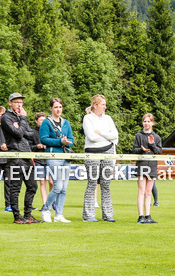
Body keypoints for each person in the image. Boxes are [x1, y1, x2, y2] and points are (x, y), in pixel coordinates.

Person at [1, 92, 41, 224]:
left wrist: (21, 127)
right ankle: (17, 217)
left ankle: (28, 215)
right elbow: (18, 134)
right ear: (10, 103)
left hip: (27, 155)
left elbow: (30, 134)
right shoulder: (6, 117)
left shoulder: (19, 118)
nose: (19, 105)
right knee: (15, 188)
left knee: (32, 186)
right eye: (16, 102)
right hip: (15, 155)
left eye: (21, 102)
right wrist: (23, 120)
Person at [82, 94, 119, 223]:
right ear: (95, 105)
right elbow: (91, 137)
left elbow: (115, 136)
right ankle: (88, 215)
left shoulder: (108, 119)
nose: (105, 107)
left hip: (108, 152)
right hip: (92, 152)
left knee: (106, 184)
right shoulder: (87, 118)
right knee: (92, 183)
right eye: (103, 104)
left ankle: (108, 215)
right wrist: (107, 137)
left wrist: (102, 133)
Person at [39, 97, 74, 223]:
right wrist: (60, 141)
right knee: (57, 185)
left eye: (60, 107)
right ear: (51, 108)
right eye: (56, 107)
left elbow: (72, 139)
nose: (58, 109)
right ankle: (46, 209)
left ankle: (59, 214)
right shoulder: (46, 122)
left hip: (66, 157)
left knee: (64, 187)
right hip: (54, 157)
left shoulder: (66, 122)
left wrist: (68, 142)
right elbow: (43, 139)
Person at [134, 113, 163, 224]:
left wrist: (152, 145)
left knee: (148, 192)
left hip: (152, 166)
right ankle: (141, 216)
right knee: (141, 191)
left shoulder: (156, 137)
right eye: (144, 121)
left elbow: (159, 152)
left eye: (148, 121)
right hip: (141, 165)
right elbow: (134, 150)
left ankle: (148, 216)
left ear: (152, 123)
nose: (146, 123)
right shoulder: (138, 136)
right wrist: (142, 150)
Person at [32, 111, 54, 213]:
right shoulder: (32, 133)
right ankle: (45, 204)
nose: (43, 122)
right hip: (39, 160)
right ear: (36, 121)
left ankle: (51, 201)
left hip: (49, 160)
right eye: (41, 120)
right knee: (42, 182)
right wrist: (38, 146)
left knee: (51, 182)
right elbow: (28, 147)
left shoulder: (50, 131)